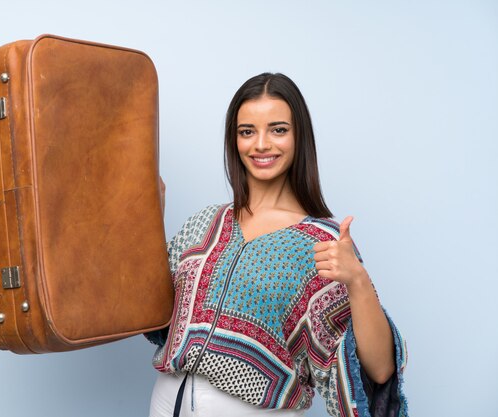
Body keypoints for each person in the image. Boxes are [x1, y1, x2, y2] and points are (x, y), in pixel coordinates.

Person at [145, 73, 407, 417]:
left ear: (299, 137)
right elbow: (152, 309)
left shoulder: (322, 242)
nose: (261, 144)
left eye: (278, 129)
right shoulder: (205, 224)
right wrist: (150, 218)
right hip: (166, 402)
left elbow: (379, 371)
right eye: (247, 131)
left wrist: (357, 280)